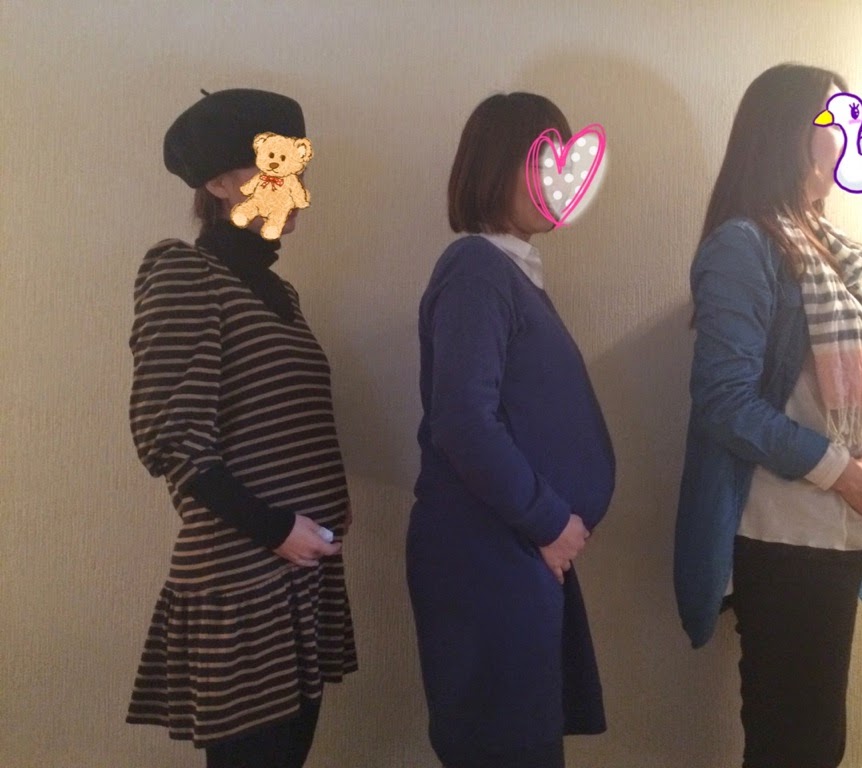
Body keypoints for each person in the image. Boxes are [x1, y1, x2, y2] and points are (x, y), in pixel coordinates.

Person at [673, 63, 862, 768]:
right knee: (798, 746)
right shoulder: (744, 245)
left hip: (826, 536)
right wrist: (845, 472)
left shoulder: (822, 245)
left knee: (809, 742)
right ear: (788, 134)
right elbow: (724, 402)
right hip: (787, 538)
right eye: (835, 119)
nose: (853, 136)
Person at [126, 88, 356, 768]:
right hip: (244, 580)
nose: (298, 190)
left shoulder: (281, 294)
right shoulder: (184, 272)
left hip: (297, 578)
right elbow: (170, 438)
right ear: (219, 182)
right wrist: (275, 528)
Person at [407, 92, 616, 768]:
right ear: (495, 167)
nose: (558, 184)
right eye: (541, 163)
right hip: (489, 554)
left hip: (513, 547)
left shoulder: (510, 274)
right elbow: (463, 419)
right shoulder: (477, 269)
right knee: (506, 748)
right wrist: (550, 520)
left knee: (524, 741)